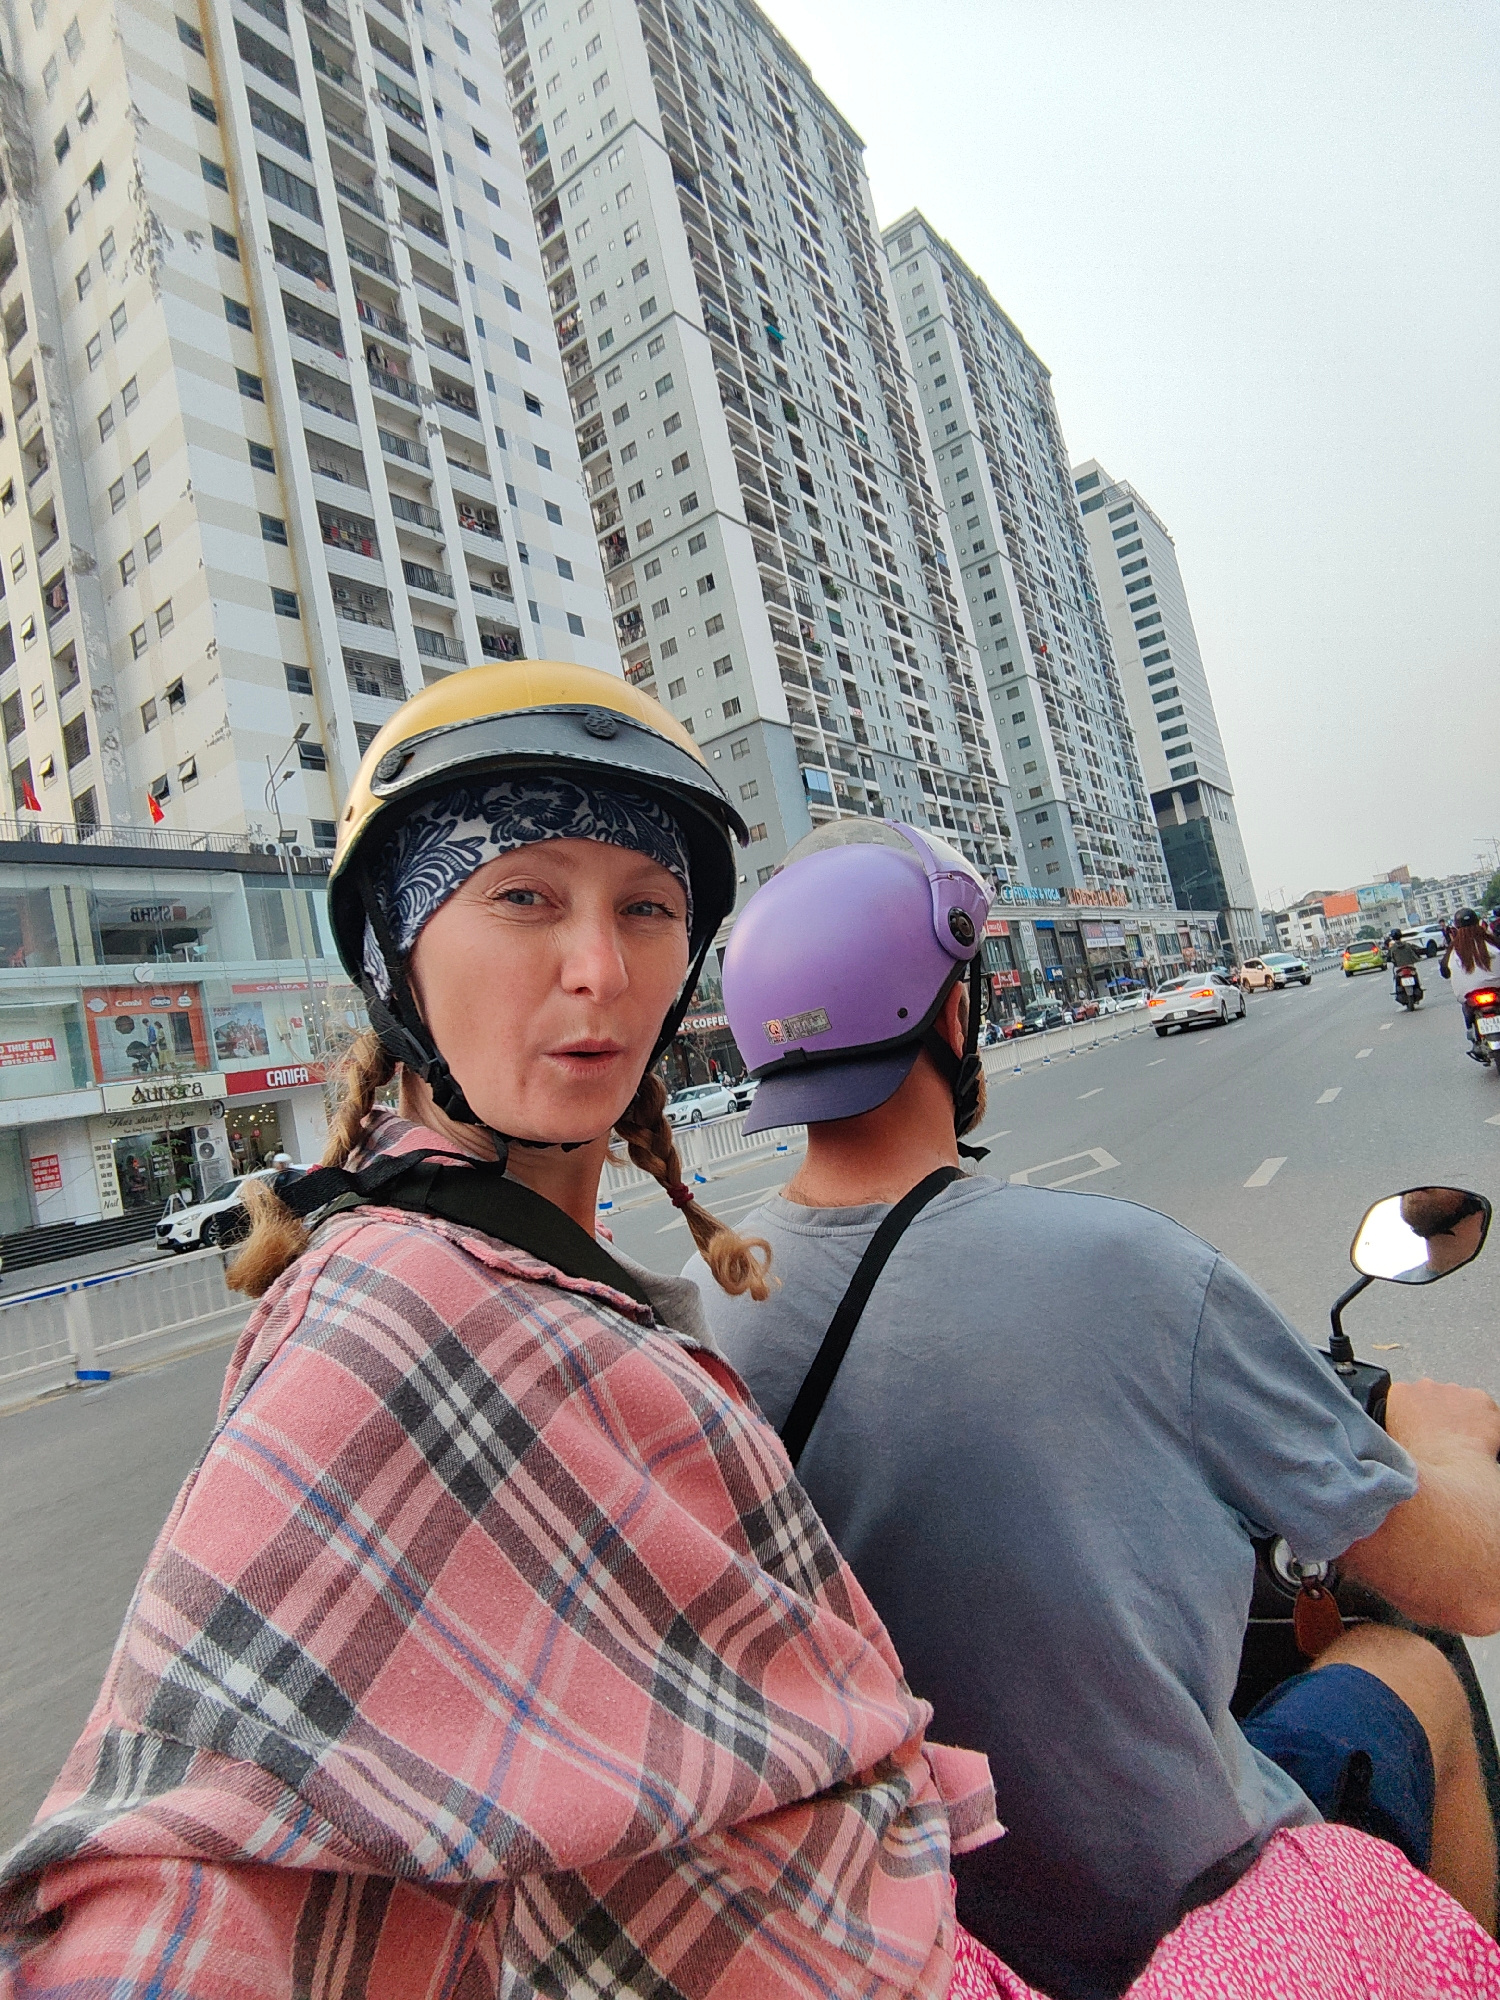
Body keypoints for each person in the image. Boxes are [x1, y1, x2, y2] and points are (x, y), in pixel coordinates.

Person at [0, 666, 1000, 1997]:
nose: (602, 969)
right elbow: (185, 1850)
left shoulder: (546, 1279)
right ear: (395, 953)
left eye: (647, 908)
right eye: (523, 895)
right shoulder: (393, 1313)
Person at [688, 819, 1500, 2000]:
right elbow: (1469, 1579)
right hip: (1185, 1925)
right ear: (955, 1016)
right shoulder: (1129, 1268)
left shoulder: (697, 1315)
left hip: (917, 1935)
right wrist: (1441, 1439)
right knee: (1412, 1659)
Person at [1440, 908, 1500, 1059]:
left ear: (1456, 927)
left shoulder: (1454, 949)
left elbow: (1444, 972)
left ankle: (1474, 1039)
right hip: (1496, 990)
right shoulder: (1491, 942)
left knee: (1467, 1010)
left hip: (1470, 995)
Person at [1388, 927, 1423, 1002]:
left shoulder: (1392, 948)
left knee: (1396, 978)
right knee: (1415, 976)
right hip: (1410, 967)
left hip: (1399, 968)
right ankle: (1419, 987)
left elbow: (1389, 958)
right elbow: (1415, 952)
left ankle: (1396, 991)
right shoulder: (1408, 945)